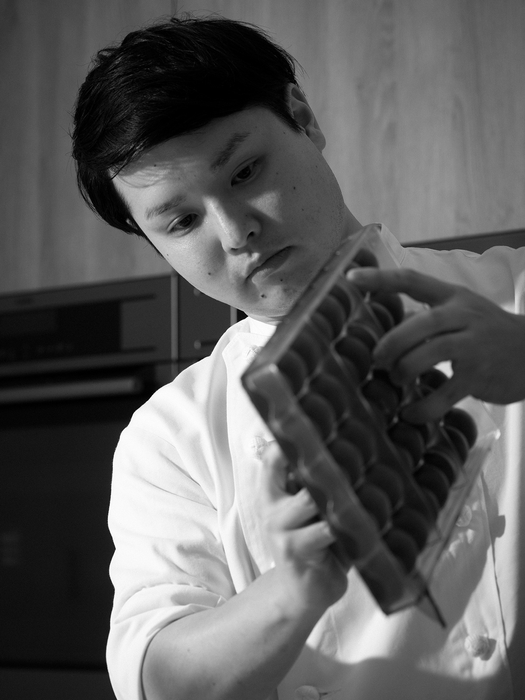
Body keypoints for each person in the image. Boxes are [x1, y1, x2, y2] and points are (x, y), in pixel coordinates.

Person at [71, 15, 525, 700]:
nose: (236, 232)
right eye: (182, 221)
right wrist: (294, 588)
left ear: (304, 118)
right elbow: (160, 678)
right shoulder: (170, 437)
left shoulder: (514, 293)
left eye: (245, 171)